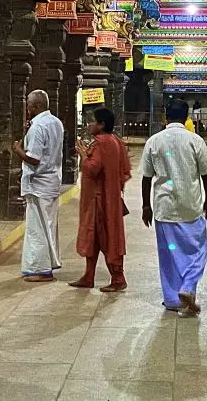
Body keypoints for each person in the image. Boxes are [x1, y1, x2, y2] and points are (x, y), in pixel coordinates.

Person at [141, 98, 207, 316]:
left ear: (165, 116)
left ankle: (173, 299)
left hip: (164, 208)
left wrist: (146, 206)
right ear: (187, 117)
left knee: (169, 254)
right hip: (190, 206)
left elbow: (146, 178)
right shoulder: (195, 141)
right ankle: (188, 285)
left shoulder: (154, 141)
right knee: (197, 250)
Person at [71, 107, 130, 292]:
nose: (89, 124)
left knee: (105, 236)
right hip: (110, 197)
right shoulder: (116, 141)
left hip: (99, 200)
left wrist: (83, 155)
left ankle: (118, 278)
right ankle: (89, 276)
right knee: (95, 238)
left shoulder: (101, 142)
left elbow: (92, 168)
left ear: (101, 124)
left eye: (92, 121)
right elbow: (125, 170)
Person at [12, 90, 64, 282]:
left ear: (35, 107)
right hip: (51, 182)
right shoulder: (55, 123)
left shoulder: (38, 127)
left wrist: (18, 149)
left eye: (28, 105)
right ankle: (48, 264)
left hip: (38, 184)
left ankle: (40, 269)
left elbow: (33, 158)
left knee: (37, 229)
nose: (27, 108)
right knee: (48, 225)